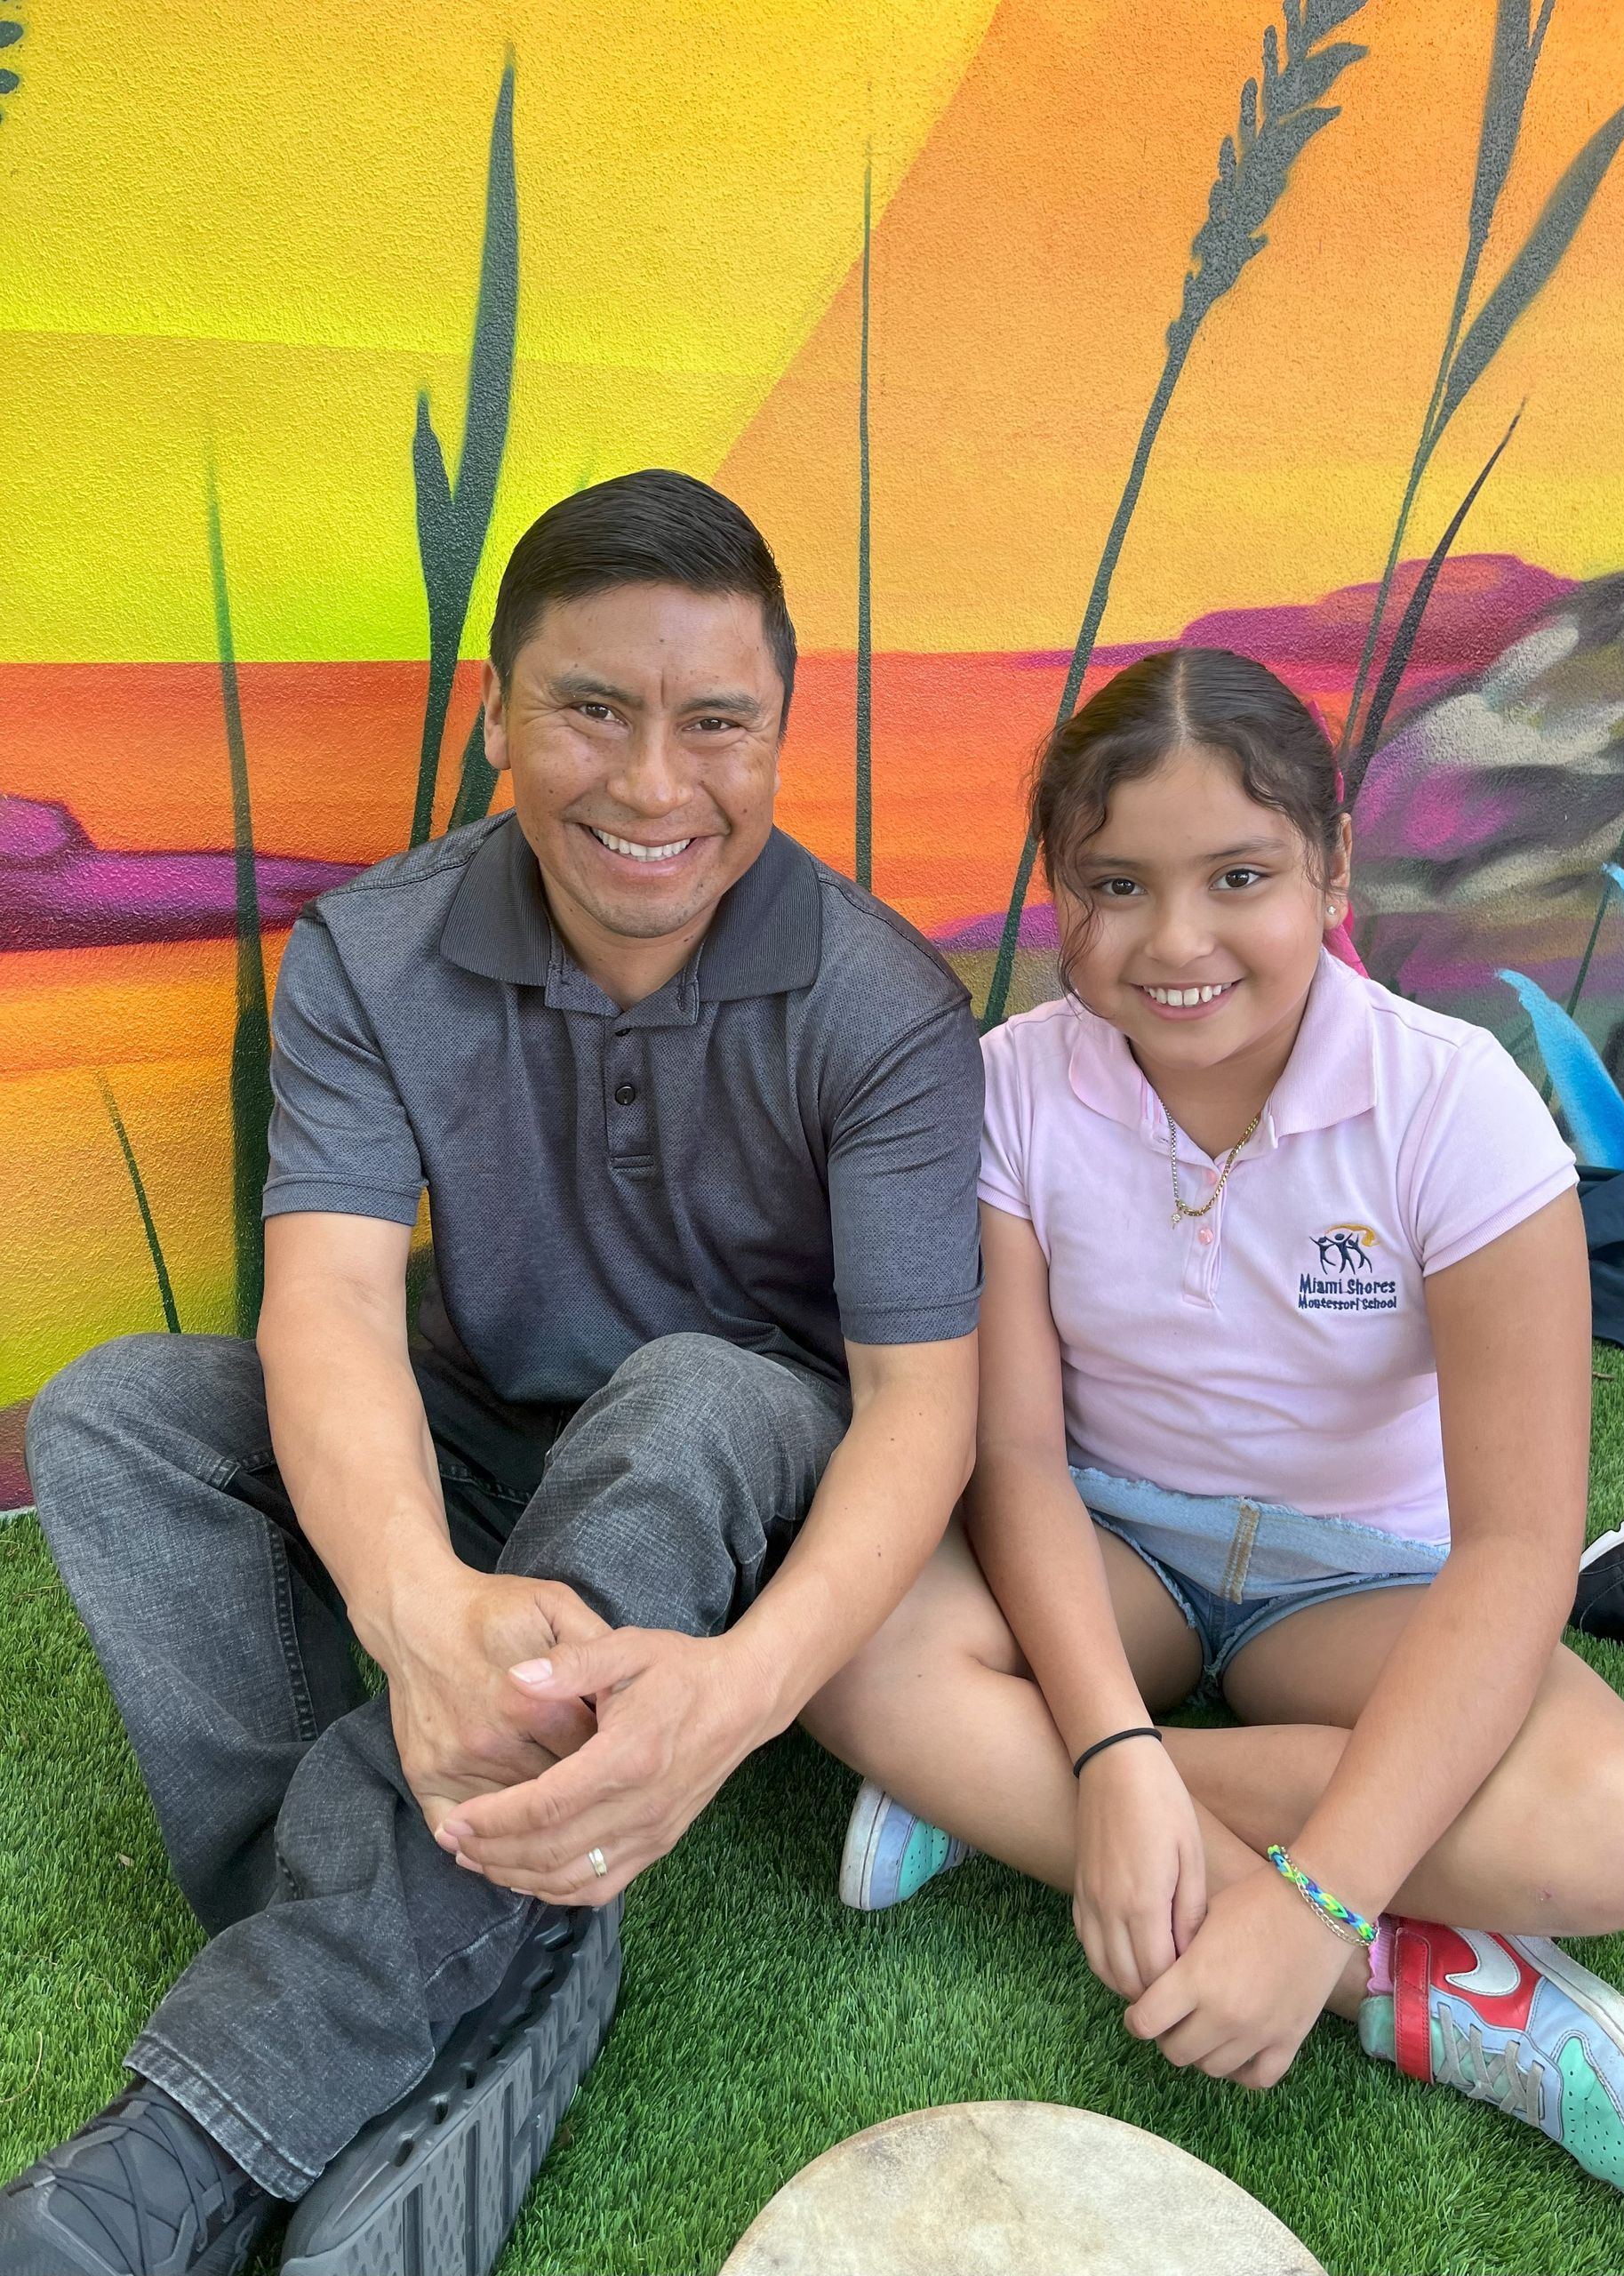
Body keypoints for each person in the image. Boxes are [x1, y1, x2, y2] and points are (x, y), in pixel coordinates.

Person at [6, 471, 983, 2276]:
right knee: (115, 1418)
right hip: (488, 1439)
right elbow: (332, 1309)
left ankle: (173, 2159)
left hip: (737, 1462)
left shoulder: (882, 1002)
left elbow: (926, 1408)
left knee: (689, 1393)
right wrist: (415, 1605)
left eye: (715, 723)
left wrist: (747, 1693)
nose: (652, 784)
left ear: (781, 731)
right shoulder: (376, 951)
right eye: (590, 709)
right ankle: (485, 1951)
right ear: (498, 715)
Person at [807, 647, 1624, 2211]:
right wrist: (1109, 1741)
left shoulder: (1458, 1106)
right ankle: (1433, 1997)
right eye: (1116, 883)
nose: (1177, 942)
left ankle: (994, 1789)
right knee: (848, 1647)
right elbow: (1011, 1456)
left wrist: (1309, 1900)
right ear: (1058, 888)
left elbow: (1512, 1549)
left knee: (1622, 1832)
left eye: (1240, 876)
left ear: (1334, 864)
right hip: (1111, 1545)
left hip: (1359, 1582)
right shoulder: (1010, 1085)